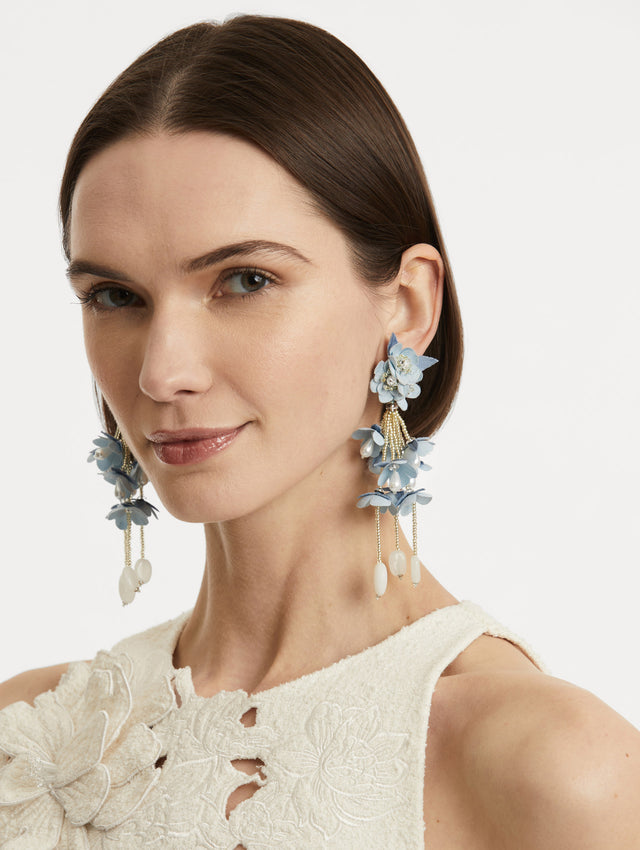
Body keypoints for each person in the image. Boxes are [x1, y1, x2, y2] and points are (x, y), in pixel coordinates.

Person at [0, 14, 638, 848]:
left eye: (245, 279)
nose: (162, 372)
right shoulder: (30, 745)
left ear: (407, 306)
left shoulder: (548, 767)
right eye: (115, 296)